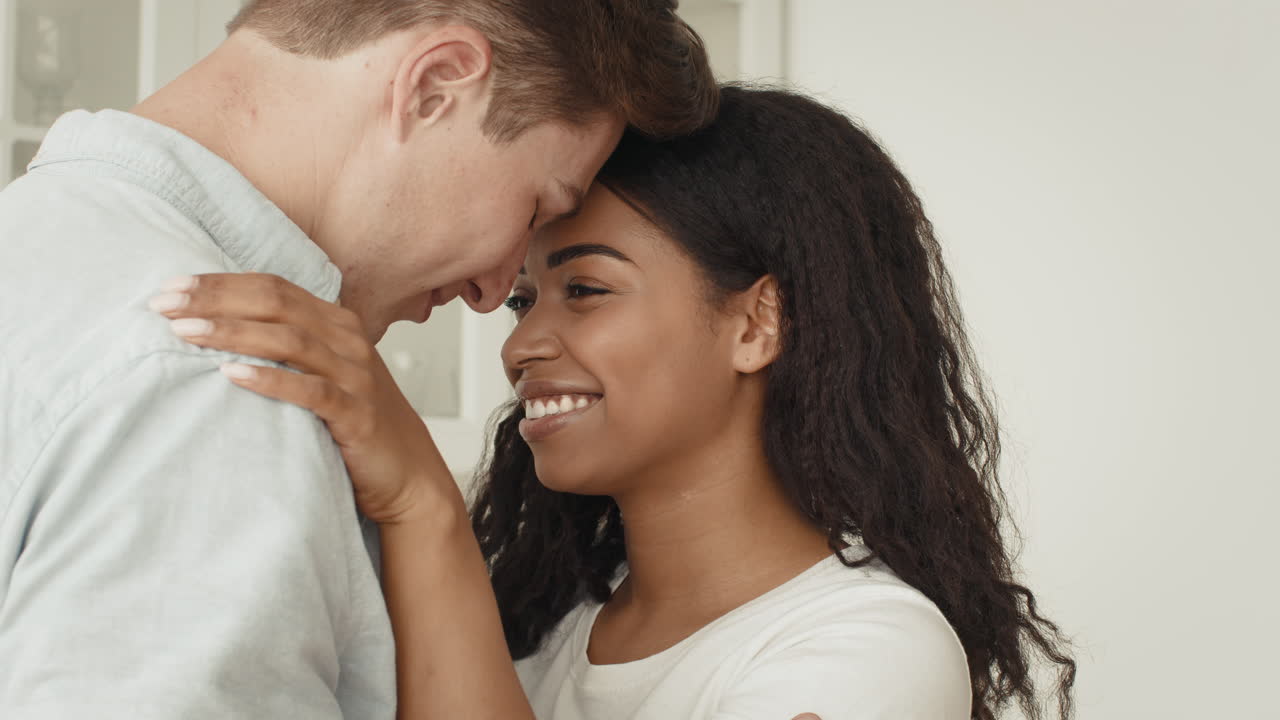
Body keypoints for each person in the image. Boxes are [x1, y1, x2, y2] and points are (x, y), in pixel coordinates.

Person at [154, 86, 1078, 719]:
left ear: (758, 322)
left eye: (585, 290)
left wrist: (422, 502)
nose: (520, 345)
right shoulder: (547, 630)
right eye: (523, 299)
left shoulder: (872, 654)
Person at [0, 1, 716, 716]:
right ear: (434, 85)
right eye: (535, 207)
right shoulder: (227, 377)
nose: (492, 290)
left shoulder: (34, 241)